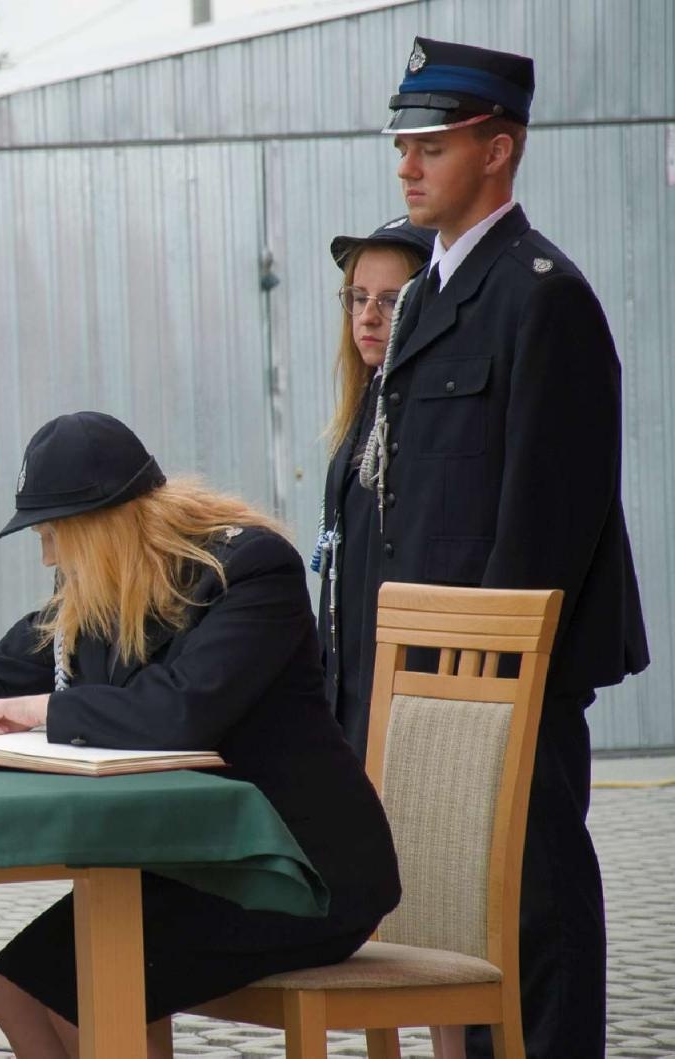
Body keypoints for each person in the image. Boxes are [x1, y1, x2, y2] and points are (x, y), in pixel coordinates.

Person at [0, 411, 401, 1057]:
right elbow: (6, 663)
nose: (48, 555)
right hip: (198, 862)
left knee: (83, 990)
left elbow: (181, 711)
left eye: (53, 534)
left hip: (300, 871)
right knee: (15, 985)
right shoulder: (105, 580)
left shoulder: (250, 570)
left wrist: (45, 709)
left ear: (104, 523)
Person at [361, 38, 650, 1059]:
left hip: (507, 671)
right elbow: (401, 499)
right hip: (435, 669)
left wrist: (491, 676)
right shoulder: (427, 295)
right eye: (403, 145)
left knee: (533, 903)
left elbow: (547, 515)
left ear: (497, 150)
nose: (407, 165)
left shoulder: (540, 294)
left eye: (432, 146)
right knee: (460, 916)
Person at [313, 216, 432, 756]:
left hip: (404, 679)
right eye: (358, 298)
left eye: (390, 300)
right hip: (352, 676)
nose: (368, 316)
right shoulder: (367, 400)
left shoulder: (423, 411)